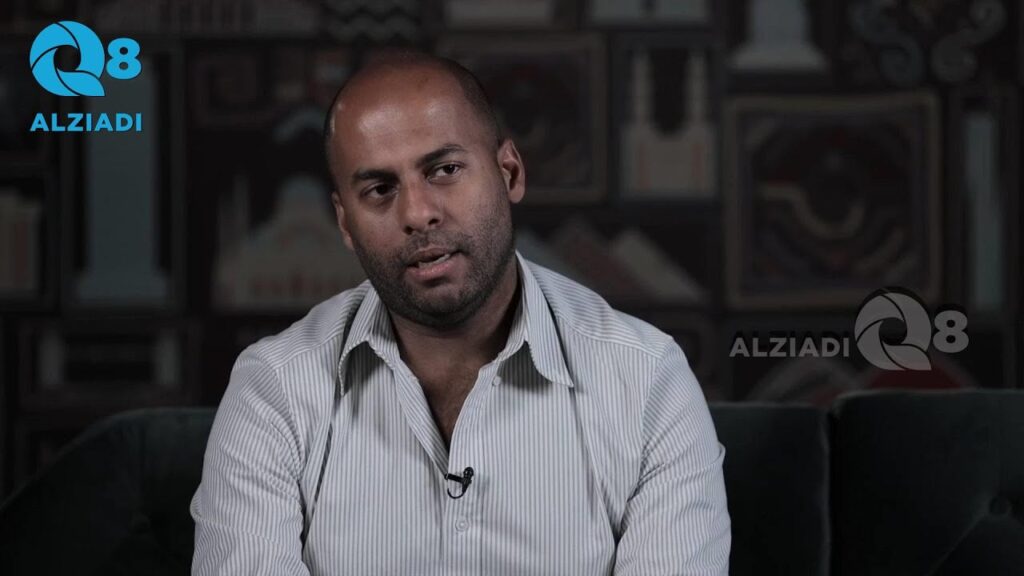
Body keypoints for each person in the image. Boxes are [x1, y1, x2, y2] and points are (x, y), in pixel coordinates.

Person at [191, 50, 730, 575]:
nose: (418, 213)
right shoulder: (275, 388)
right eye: (379, 189)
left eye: (445, 169)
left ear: (509, 172)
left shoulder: (647, 382)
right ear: (345, 223)